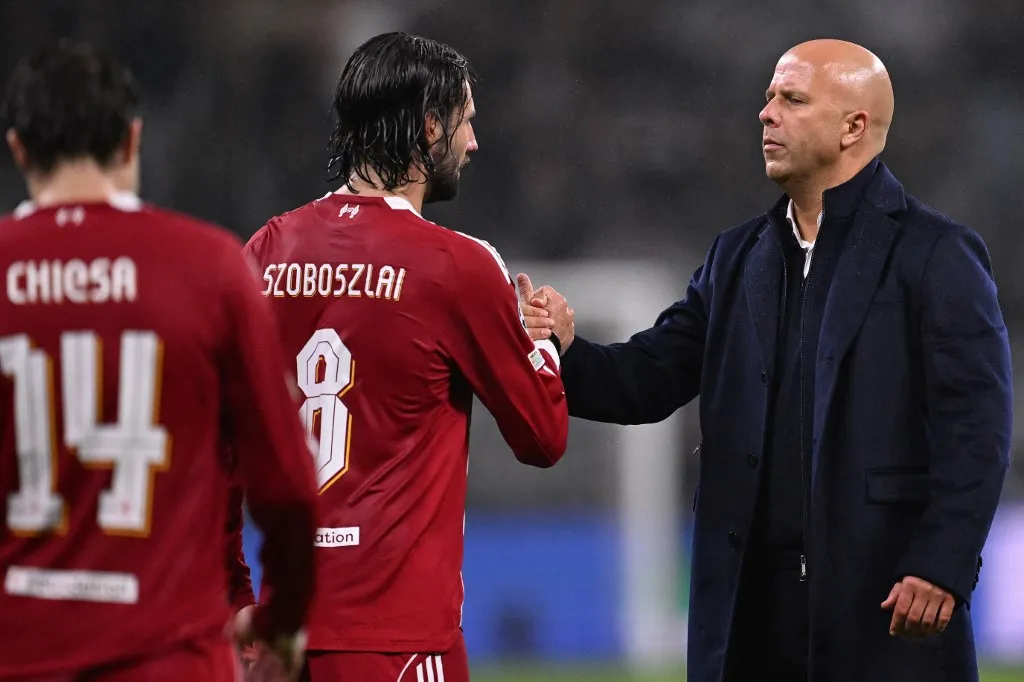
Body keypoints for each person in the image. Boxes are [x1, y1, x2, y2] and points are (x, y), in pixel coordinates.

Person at [519, 39, 1011, 682]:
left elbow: (977, 426)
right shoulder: (736, 257)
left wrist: (941, 562)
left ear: (853, 126)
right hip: (750, 615)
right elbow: (647, 378)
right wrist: (565, 348)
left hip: (883, 602)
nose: (766, 113)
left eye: (792, 99)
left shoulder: (936, 253)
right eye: (770, 96)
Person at [238, 32, 569, 682]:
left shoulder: (266, 252)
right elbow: (542, 436)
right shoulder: (457, 267)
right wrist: (544, 341)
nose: (474, 143)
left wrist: (235, 602)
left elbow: (217, 453)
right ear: (428, 126)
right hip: (396, 639)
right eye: (467, 121)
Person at [0, 42, 319, 681]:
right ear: (132, 142)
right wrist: (281, 622)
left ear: (20, 150)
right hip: (169, 659)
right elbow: (286, 483)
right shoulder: (208, 268)